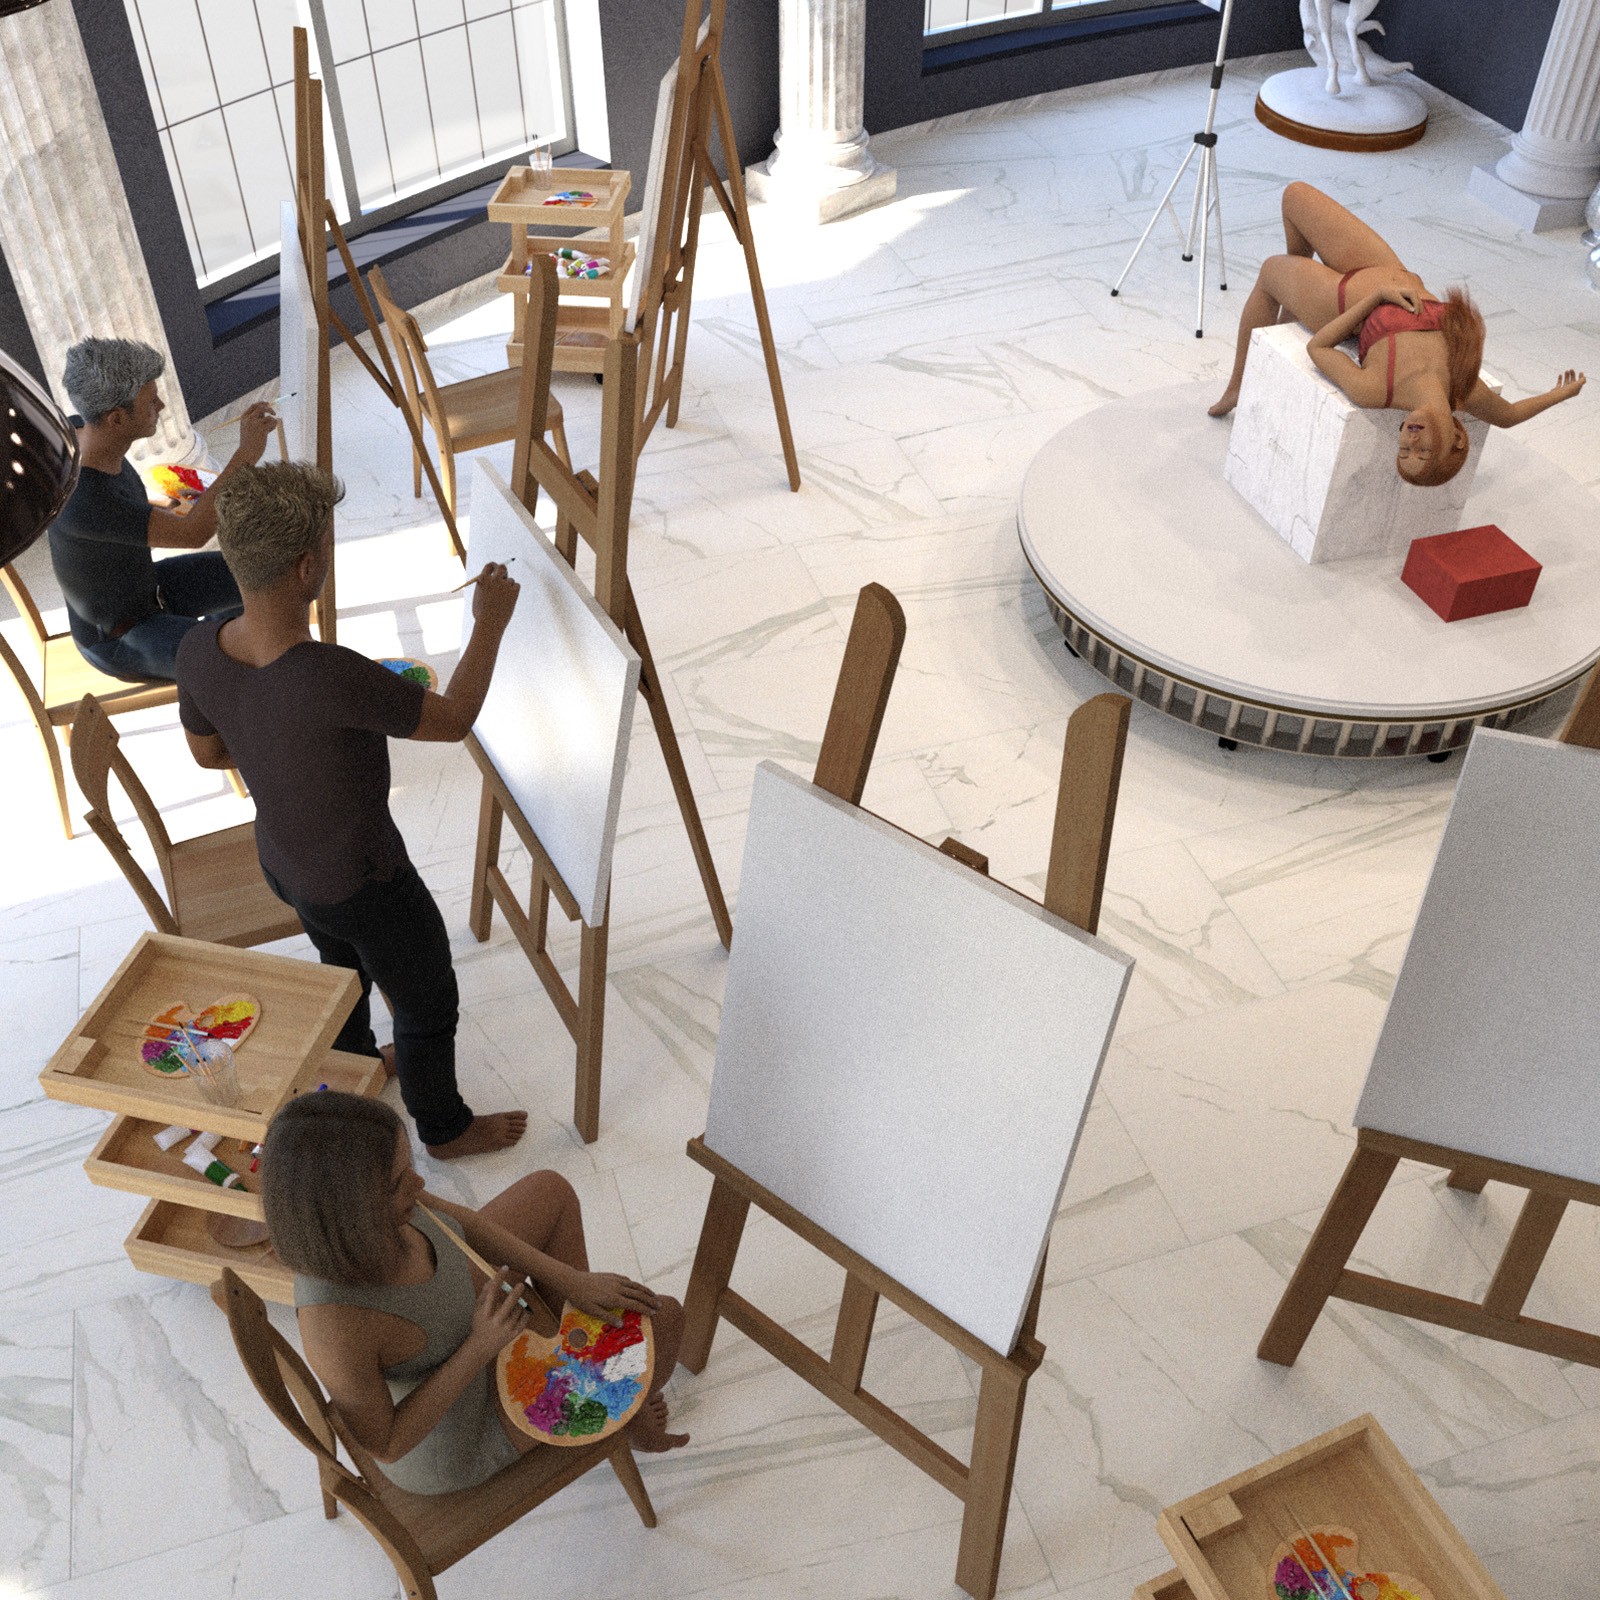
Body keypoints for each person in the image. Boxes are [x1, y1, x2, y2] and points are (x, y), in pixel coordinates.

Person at [176, 460, 526, 1160]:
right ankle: (444, 1128)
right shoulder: (331, 676)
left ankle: (359, 1064)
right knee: (426, 1001)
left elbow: (209, 756)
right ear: (307, 568)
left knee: (341, 970)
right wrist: (489, 622)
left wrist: (277, 748)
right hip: (367, 880)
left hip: (285, 862)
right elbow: (455, 718)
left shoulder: (196, 649)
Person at [262, 1093, 688, 1495]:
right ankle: (624, 1414)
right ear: (349, 1217)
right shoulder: (333, 1328)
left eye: (408, 1165)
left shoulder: (383, 1204)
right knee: (665, 1320)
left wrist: (570, 1280)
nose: (419, 1182)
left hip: (460, 1321)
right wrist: (481, 1345)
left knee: (550, 1190)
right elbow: (387, 1445)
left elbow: (462, 1224)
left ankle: (583, 1358)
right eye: (397, 1183)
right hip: (455, 1427)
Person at [1209, 183, 1586, 485]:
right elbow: (1510, 415)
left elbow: (1318, 347)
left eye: (1403, 451)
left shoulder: (1376, 391)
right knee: (1294, 196)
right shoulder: (1465, 388)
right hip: (1386, 266)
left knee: (1271, 271)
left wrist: (1374, 299)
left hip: (1340, 301)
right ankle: (1291, 302)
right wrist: (1560, 394)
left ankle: (1239, 383)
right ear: (1457, 439)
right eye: (1423, 452)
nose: (1410, 441)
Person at [47, 336, 277, 681]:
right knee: (239, 663)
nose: (162, 406)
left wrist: (161, 506)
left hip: (150, 589)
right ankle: (222, 659)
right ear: (116, 419)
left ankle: (217, 634)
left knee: (266, 573)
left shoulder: (80, 431)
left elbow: (118, 516)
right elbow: (193, 535)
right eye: (150, 401)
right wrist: (246, 454)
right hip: (122, 637)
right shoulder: (85, 499)